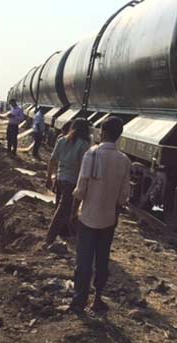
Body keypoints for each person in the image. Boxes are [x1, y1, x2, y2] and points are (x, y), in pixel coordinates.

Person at [69, 117, 131, 313]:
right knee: (102, 260)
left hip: (87, 216)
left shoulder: (91, 154)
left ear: (102, 132)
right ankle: (97, 298)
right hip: (108, 219)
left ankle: (79, 299)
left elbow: (81, 189)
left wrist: (73, 212)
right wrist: (115, 214)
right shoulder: (124, 160)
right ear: (118, 135)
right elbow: (123, 196)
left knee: (84, 260)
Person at [44, 118, 91, 245]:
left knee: (62, 207)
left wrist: (49, 178)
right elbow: (83, 167)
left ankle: (67, 233)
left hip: (60, 179)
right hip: (72, 181)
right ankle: (50, 238)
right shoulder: (85, 145)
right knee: (64, 209)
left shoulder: (62, 140)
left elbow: (52, 160)